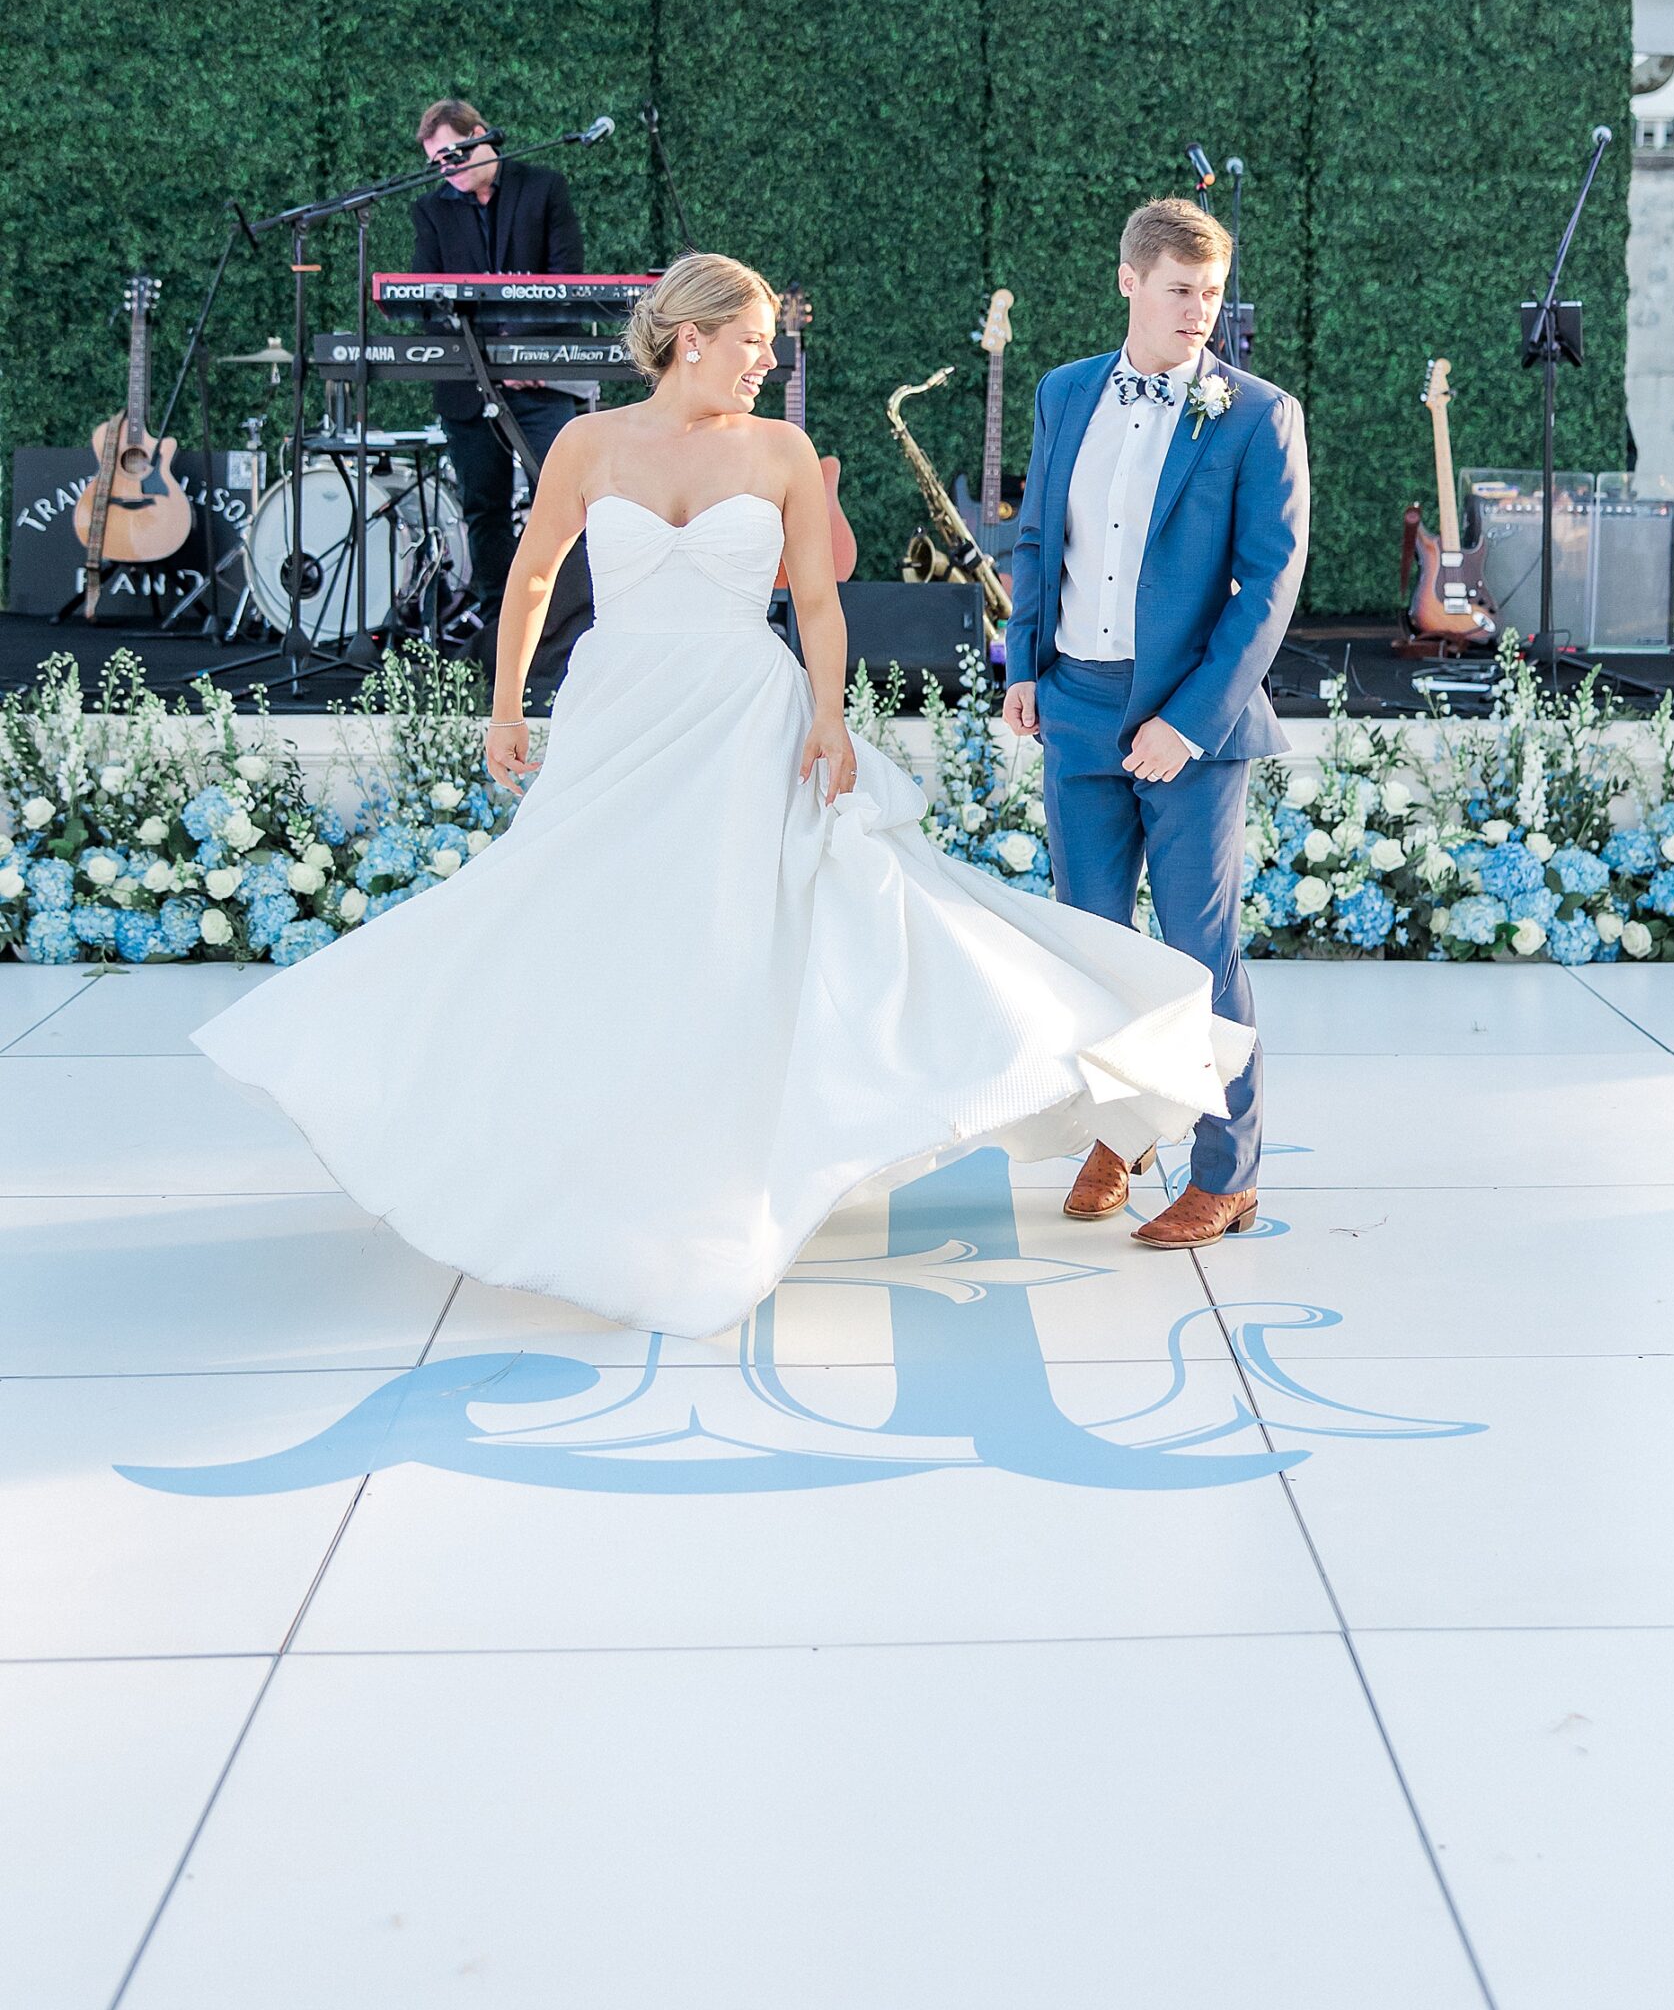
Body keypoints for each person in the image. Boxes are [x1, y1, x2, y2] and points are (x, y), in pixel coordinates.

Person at [192, 251, 1249, 1340]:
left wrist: (831, 719)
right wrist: (506, 708)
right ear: (690, 338)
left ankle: (746, 1164)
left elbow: (821, 607)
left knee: (744, 936)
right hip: (618, 714)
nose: (767, 362)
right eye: (752, 343)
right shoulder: (588, 443)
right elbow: (535, 577)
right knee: (579, 926)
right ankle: (572, 1151)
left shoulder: (782, 448)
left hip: (750, 717)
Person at [1003, 197, 1310, 1249]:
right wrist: (1024, 663)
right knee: (1090, 947)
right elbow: (1037, 536)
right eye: (1180, 290)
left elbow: (1269, 587)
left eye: (1212, 293)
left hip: (1189, 721)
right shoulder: (1063, 392)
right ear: (1129, 281)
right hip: (1075, 702)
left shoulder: (1257, 412)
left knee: (1198, 952)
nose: (1199, 313)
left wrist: (1188, 719)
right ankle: (1120, 1137)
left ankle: (1228, 1174)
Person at [409, 97, 591, 696]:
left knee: (566, 500)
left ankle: (570, 635)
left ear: (483, 136)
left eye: (454, 155)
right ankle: (497, 633)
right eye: (438, 163)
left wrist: (529, 354)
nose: (449, 170)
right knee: (483, 507)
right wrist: (491, 362)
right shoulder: (432, 211)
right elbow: (430, 303)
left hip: (543, 378)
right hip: (468, 383)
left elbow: (571, 281)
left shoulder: (543, 187)